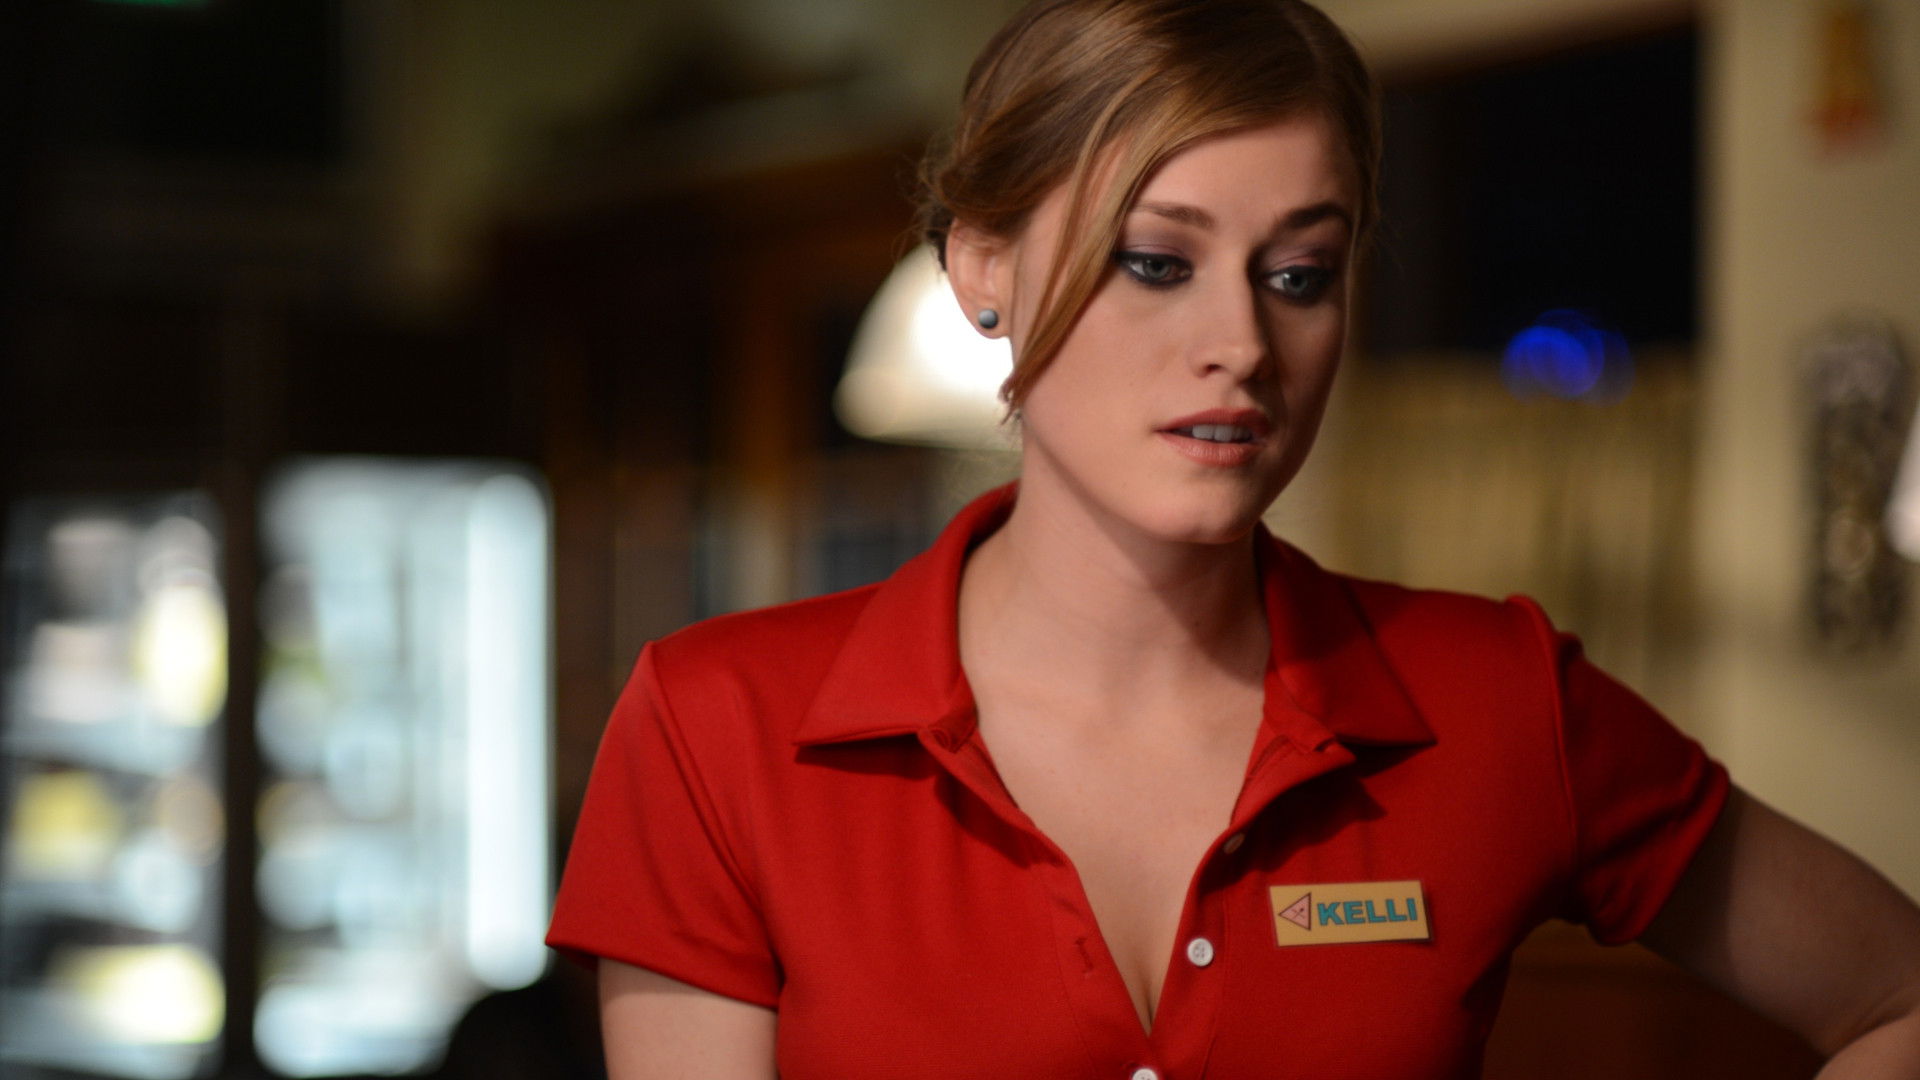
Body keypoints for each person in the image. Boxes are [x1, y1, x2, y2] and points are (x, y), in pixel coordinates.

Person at [547, 0, 1920, 1076]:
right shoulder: (717, 728)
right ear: (981, 268)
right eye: (1158, 261)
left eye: (1300, 275)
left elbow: (1894, 998)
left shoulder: (1499, 701)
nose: (1243, 344)